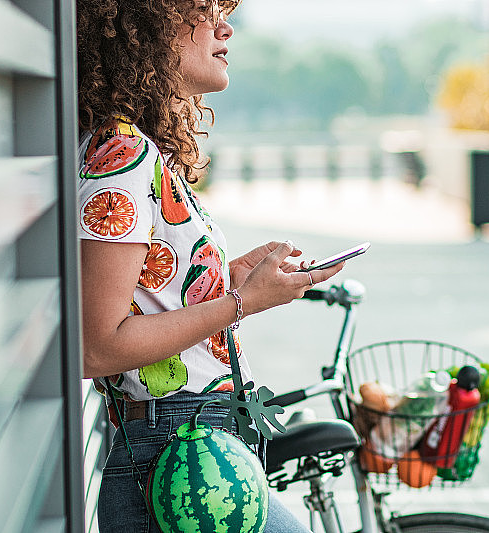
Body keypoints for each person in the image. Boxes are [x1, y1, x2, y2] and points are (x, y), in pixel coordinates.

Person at [76, 1, 343, 531]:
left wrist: (230, 278)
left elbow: (144, 298)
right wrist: (243, 302)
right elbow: (96, 345)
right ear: (145, 29)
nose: (226, 26)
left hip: (196, 456)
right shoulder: (120, 155)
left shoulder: (135, 152)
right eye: (202, 10)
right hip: (177, 464)